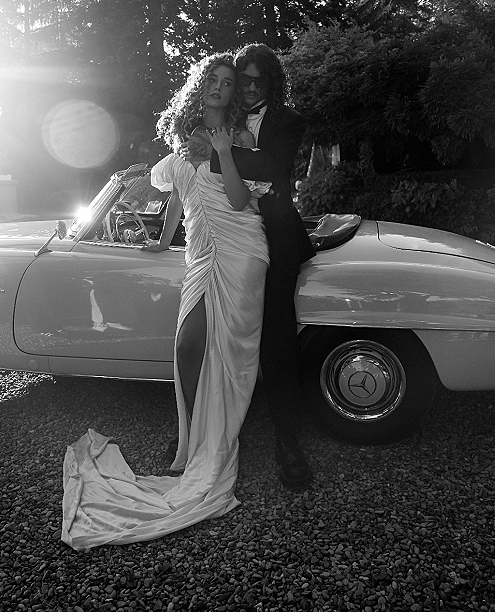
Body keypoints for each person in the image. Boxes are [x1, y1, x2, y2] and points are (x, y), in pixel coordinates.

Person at [61, 54, 270, 548]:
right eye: (212, 80)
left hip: (241, 248)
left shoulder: (239, 138)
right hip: (200, 250)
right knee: (187, 346)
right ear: (199, 87)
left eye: (226, 82)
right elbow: (178, 196)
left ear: (232, 92)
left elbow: (242, 201)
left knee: (228, 347)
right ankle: (191, 440)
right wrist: (162, 240)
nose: (219, 88)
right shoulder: (180, 147)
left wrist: (226, 153)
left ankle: (214, 441)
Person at [205, 43, 316, 489]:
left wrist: (224, 154)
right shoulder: (222, 117)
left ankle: (287, 440)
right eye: (243, 80)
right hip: (229, 238)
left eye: (258, 81)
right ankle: (215, 429)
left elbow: (273, 169)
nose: (249, 89)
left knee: (276, 336)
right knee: (226, 329)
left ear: (272, 82)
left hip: (277, 236)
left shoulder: (289, 121)